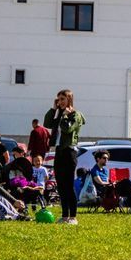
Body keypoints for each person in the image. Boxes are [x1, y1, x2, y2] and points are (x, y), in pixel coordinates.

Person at [44, 88, 84, 225]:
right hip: (59, 151)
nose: (60, 102)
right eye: (58, 99)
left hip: (69, 151)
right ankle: (64, 215)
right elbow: (47, 124)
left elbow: (67, 129)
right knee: (60, 185)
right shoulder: (59, 113)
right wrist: (53, 109)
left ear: (69, 100)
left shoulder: (75, 115)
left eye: (63, 99)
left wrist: (66, 116)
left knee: (68, 184)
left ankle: (73, 216)